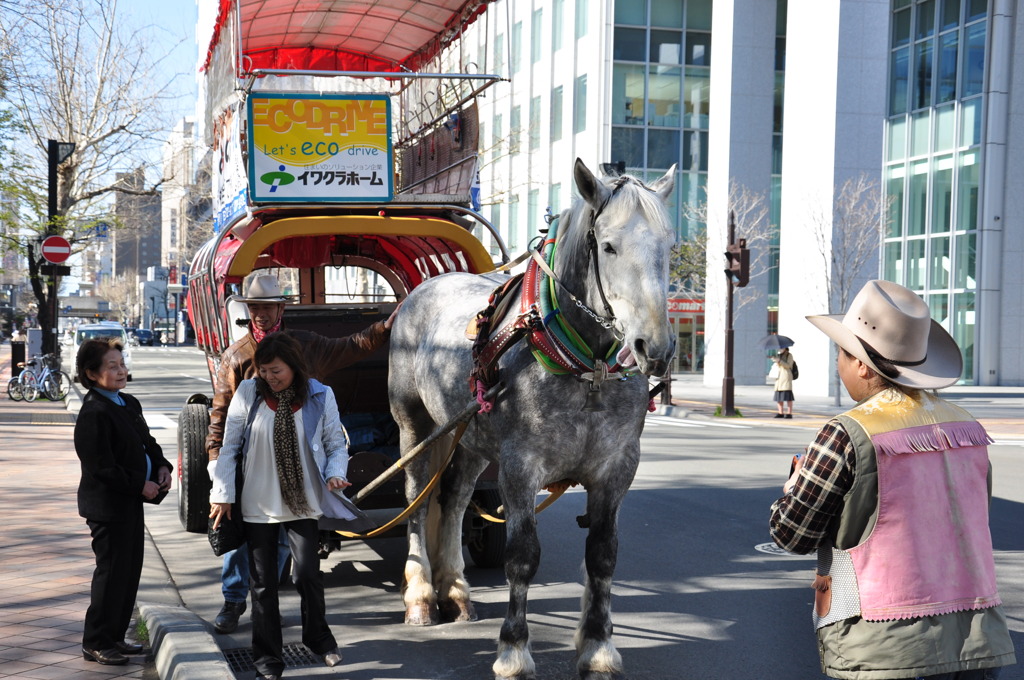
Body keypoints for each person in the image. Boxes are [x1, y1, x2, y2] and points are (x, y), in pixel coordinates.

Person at [769, 280, 1015, 679]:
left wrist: (793, 488)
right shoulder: (967, 428)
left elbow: (791, 534)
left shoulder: (847, 432)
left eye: (841, 356)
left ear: (862, 365)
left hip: (881, 640)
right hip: (974, 635)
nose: (838, 366)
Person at [206, 273, 396, 634]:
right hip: (253, 466)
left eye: (267, 307)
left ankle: (268, 605)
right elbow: (220, 422)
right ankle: (232, 603)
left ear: (281, 308)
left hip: (297, 466)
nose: (261, 314)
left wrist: (384, 327)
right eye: (255, 308)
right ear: (248, 312)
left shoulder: (306, 345)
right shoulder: (236, 358)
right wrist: (219, 477)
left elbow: (351, 346)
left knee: (279, 544)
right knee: (237, 541)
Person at [210, 333, 368, 680]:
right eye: (264, 370)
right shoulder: (249, 393)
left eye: (276, 370)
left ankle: (318, 638)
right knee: (263, 585)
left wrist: (335, 473)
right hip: (257, 502)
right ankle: (267, 660)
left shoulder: (319, 394)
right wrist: (222, 492)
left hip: (303, 502)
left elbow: (334, 444)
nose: (269, 377)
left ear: (294, 368)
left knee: (308, 574)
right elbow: (230, 445)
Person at [74, 338, 173, 665]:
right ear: (91, 373)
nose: (121, 371)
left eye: (122, 364)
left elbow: (149, 444)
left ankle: (116, 636)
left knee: (129, 573)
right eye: (112, 366)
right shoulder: (93, 412)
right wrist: (138, 485)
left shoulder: (127, 402)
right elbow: (101, 467)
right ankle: (97, 641)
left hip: (131, 503)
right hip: (108, 508)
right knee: (112, 573)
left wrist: (162, 467)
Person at [772, 346, 795, 418]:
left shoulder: (789, 355)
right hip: (779, 378)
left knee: (788, 397)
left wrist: (780, 361)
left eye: (782, 348)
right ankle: (780, 412)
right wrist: (775, 360)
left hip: (785, 377)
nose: (780, 349)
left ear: (785, 348)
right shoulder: (778, 355)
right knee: (779, 397)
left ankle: (789, 413)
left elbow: (789, 365)